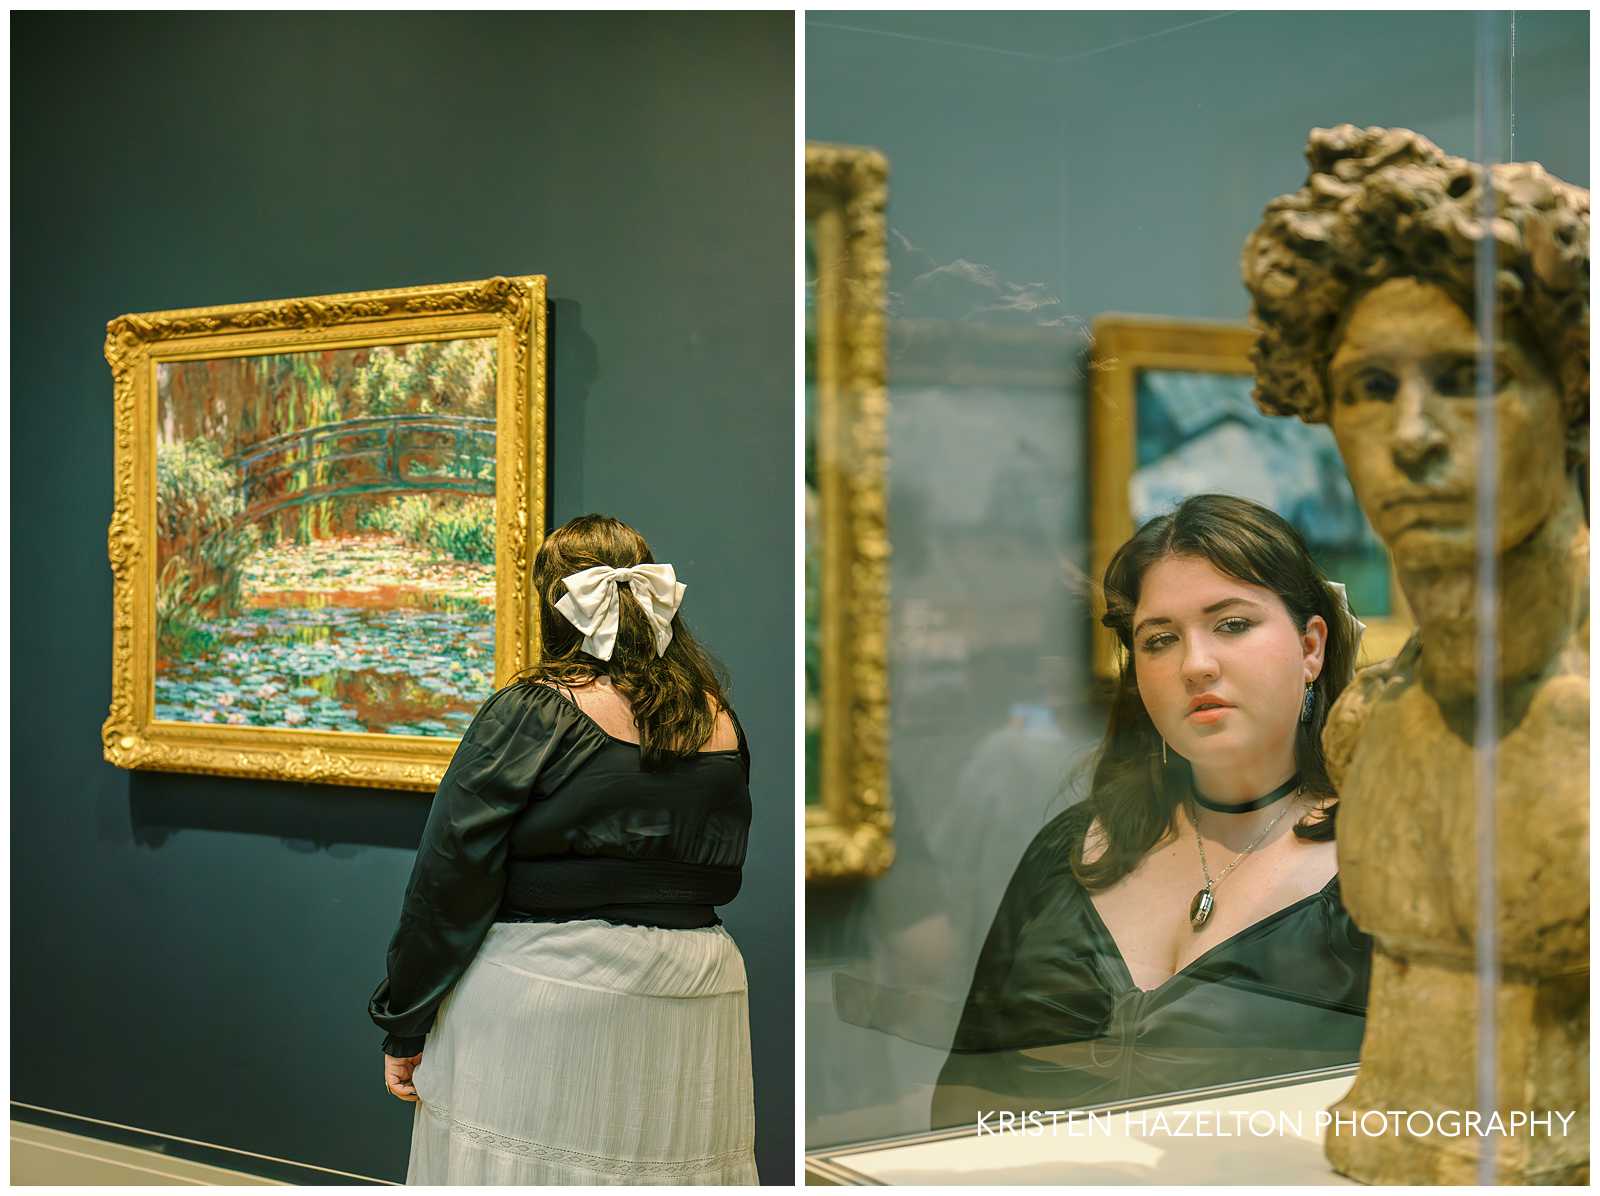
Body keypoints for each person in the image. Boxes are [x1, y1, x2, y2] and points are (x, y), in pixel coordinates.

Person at [932, 493, 1373, 1127]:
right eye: (1160, 639)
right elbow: (962, 1100)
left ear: (1311, 647)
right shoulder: (1073, 851)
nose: (1196, 665)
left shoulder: (1375, 868)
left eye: (1232, 624)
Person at [368, 514, 757, 1184]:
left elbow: (450, 877)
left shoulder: (533, 711)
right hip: (704, 988)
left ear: (553, 606)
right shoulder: (716, 715)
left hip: (552, 988)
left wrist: (405, 1022)